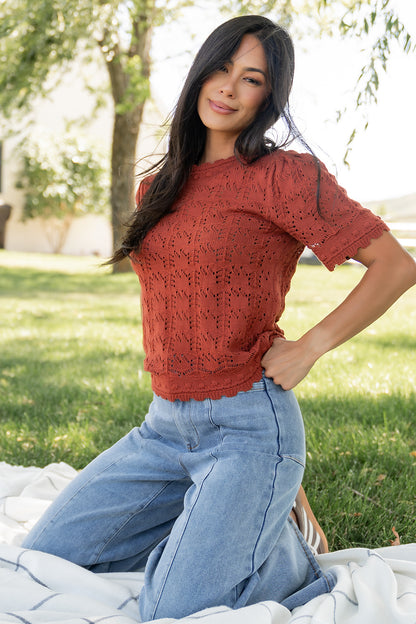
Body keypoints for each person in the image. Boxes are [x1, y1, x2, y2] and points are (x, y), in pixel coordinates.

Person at [23, 14, 416, 622]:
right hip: (162, 427)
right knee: (47, 556)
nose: (229, 88)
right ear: (201, 71)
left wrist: (309, 346)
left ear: (269, 97)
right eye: (222, 68)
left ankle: (288, 555)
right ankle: (244, 517)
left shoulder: (285, 177)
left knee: (172, 609)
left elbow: (395, 265)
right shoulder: (158, 187)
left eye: (251, 78)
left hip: (248, 428)